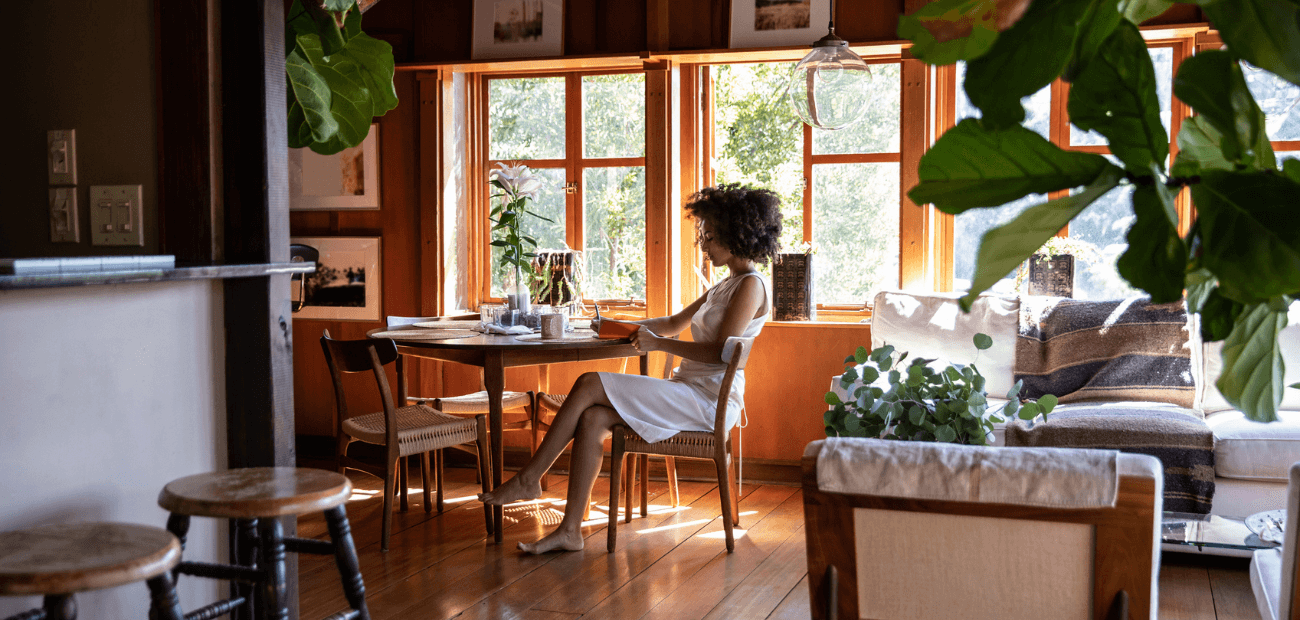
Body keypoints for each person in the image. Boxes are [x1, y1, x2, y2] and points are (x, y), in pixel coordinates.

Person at [479, 183, 783, 553]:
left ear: (736, 234)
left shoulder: (751, 286)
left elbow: (720, 353)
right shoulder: (726, 284)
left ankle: (530, 477)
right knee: (592, 419)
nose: (703, 243)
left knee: (589, 382)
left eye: (709, 235)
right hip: (687, 391)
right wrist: (616, 325)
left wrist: (657, 344)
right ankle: (570, 531)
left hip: (709, 401)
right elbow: (671, 322)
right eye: (703, 234)